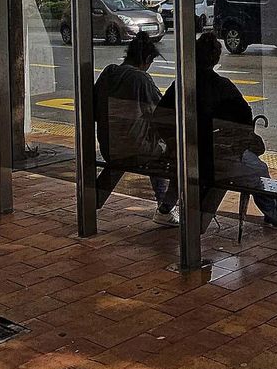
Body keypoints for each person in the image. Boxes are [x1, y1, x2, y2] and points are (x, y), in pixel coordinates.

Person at [156, 32, 264, 230]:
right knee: (259, 170)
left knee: (186, 163)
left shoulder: (180, 84)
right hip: (213, 159)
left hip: (183, 154)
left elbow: (159, 117)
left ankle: (167, 208)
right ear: (215, 59)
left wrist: (173, 143)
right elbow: (245, 122)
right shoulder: (222, 86)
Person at [93, 33, 178, 223]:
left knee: (124, 155)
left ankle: (92, 201)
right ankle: (164, 208)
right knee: (167, 152)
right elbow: (161, 112)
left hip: (109, 146)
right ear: (147, 59)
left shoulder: (109, 73)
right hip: (133, 150)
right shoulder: (141, 79)